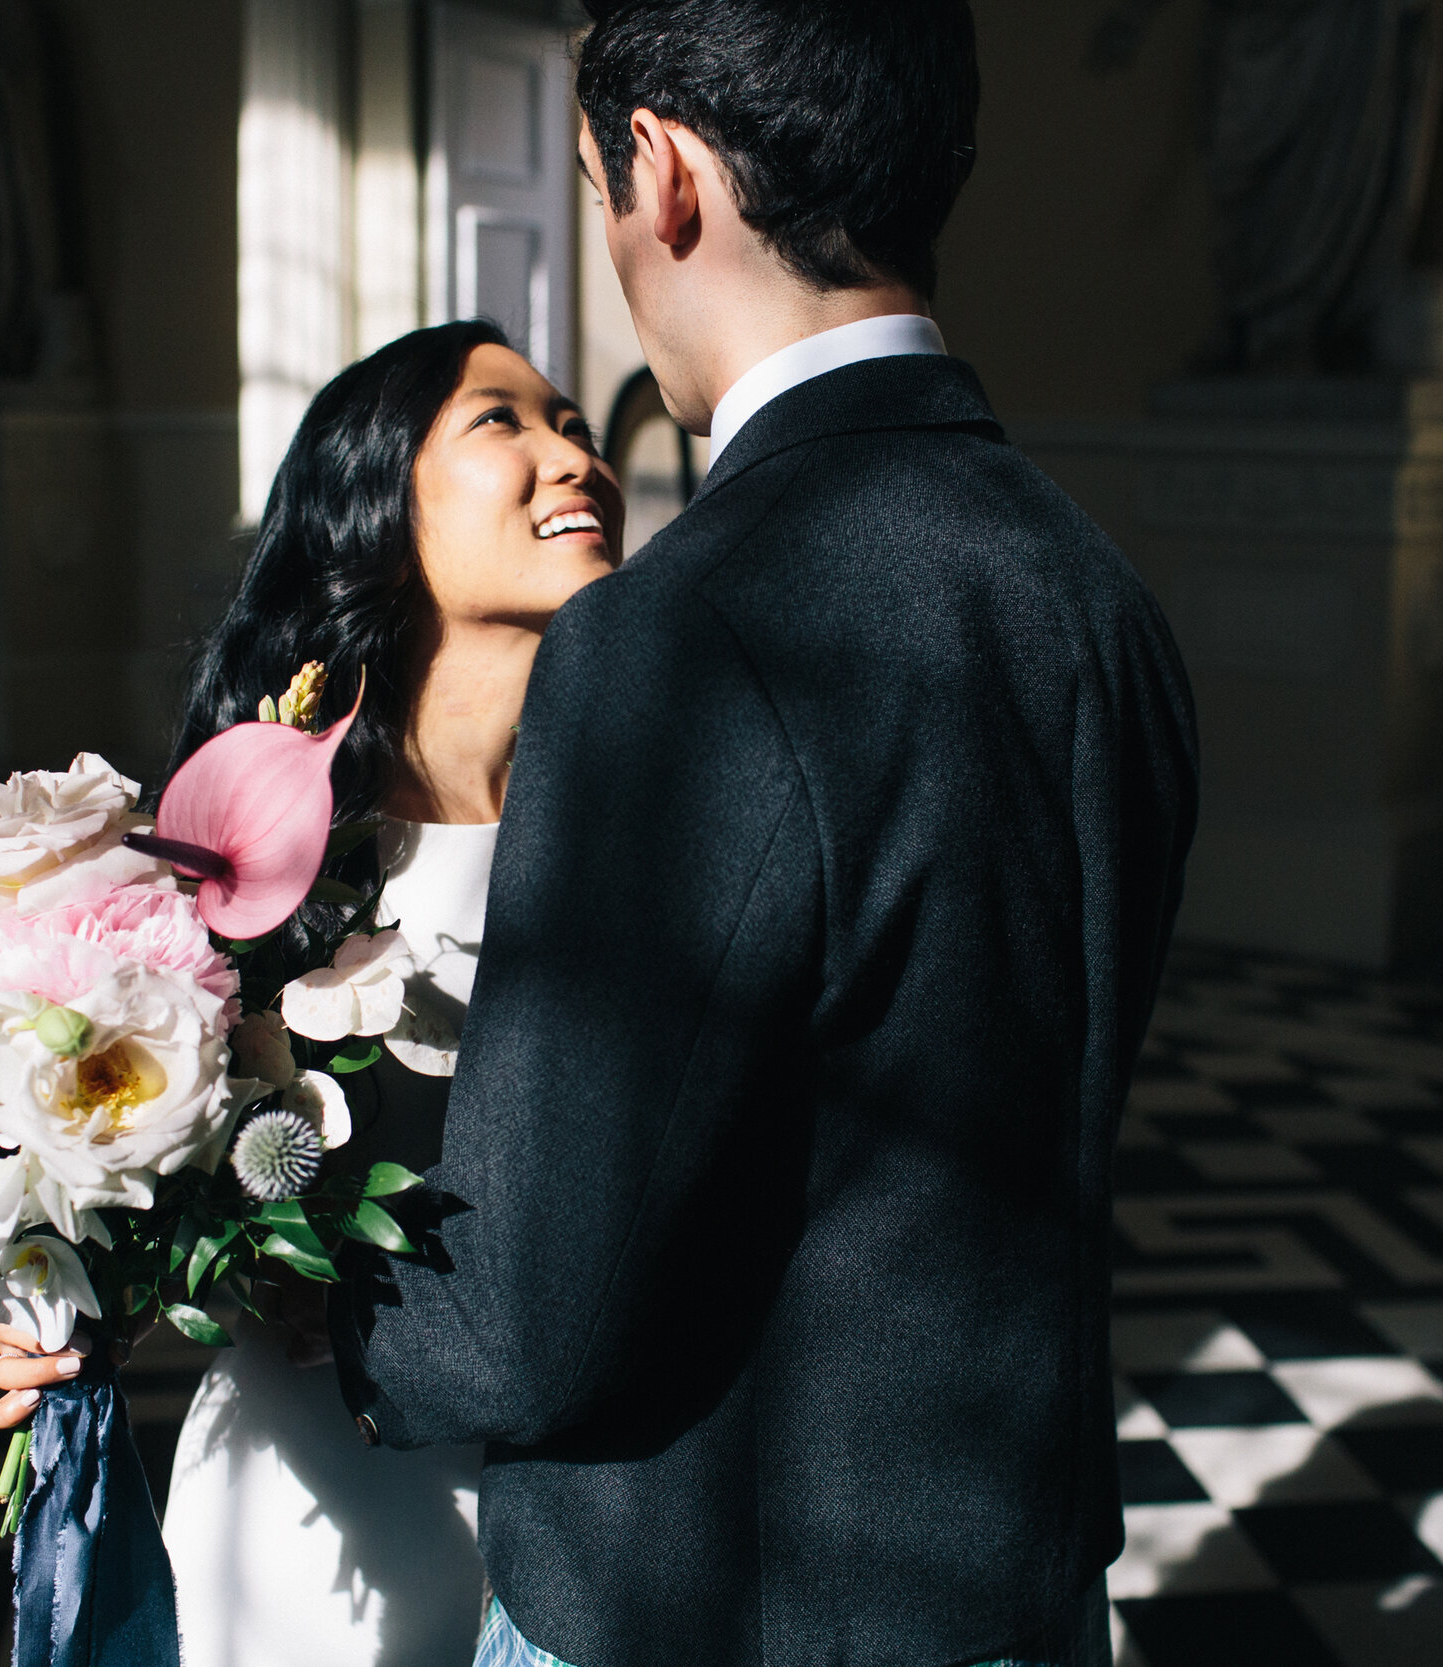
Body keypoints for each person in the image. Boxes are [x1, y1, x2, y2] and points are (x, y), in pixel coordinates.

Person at [330, 4, 1199, 1667]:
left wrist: (318, 1306)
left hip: (712, 1603)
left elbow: (533, 1318)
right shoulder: (1097, 595)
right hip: (1018, 1583)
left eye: (594, 186)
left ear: (659, 174)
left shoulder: (680, 634)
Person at [0, 318, 626, 1666]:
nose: (573, 453)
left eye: (575, 423)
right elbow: (112, 1173)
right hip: (312, 1545)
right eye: (502, 421)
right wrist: (57, 1302)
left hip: (598, 1535)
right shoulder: (247, 867)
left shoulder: (663, 835)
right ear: (376, 506)